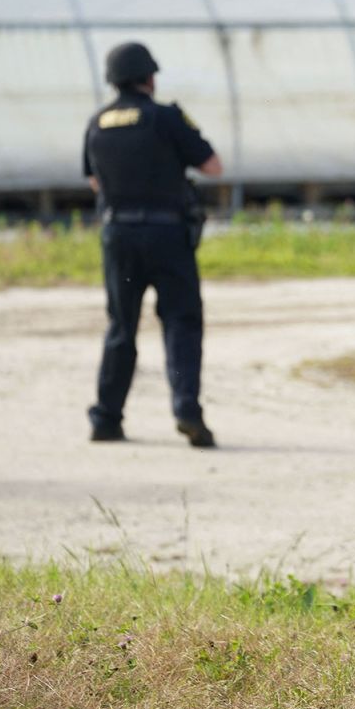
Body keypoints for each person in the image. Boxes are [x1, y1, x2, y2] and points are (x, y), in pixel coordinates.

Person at [83, 41, 223, 447]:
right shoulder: (165, 117)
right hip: (166, 236)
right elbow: (213, 167)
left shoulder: (97, 122)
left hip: (118, 236)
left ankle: (106, 419)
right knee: (181, 321)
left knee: (121, 327)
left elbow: (94, 181)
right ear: (149, 77)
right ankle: (186, 411)